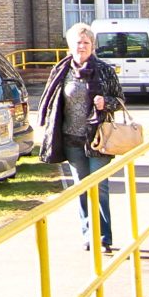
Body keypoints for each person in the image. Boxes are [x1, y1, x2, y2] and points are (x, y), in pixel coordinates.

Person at [38, 21, 125, 253]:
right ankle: (89, 235)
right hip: (72, 139)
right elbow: (53, 102)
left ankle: (104, 238)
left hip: (98, 138)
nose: (82, 46)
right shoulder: (62, 71)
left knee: (99, 186)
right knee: (82, 188)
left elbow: (120, 100)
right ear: (70, 46)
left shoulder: (104, 70)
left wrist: (106, 102)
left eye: (86, 42)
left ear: (93, 45)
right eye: (78, 42)